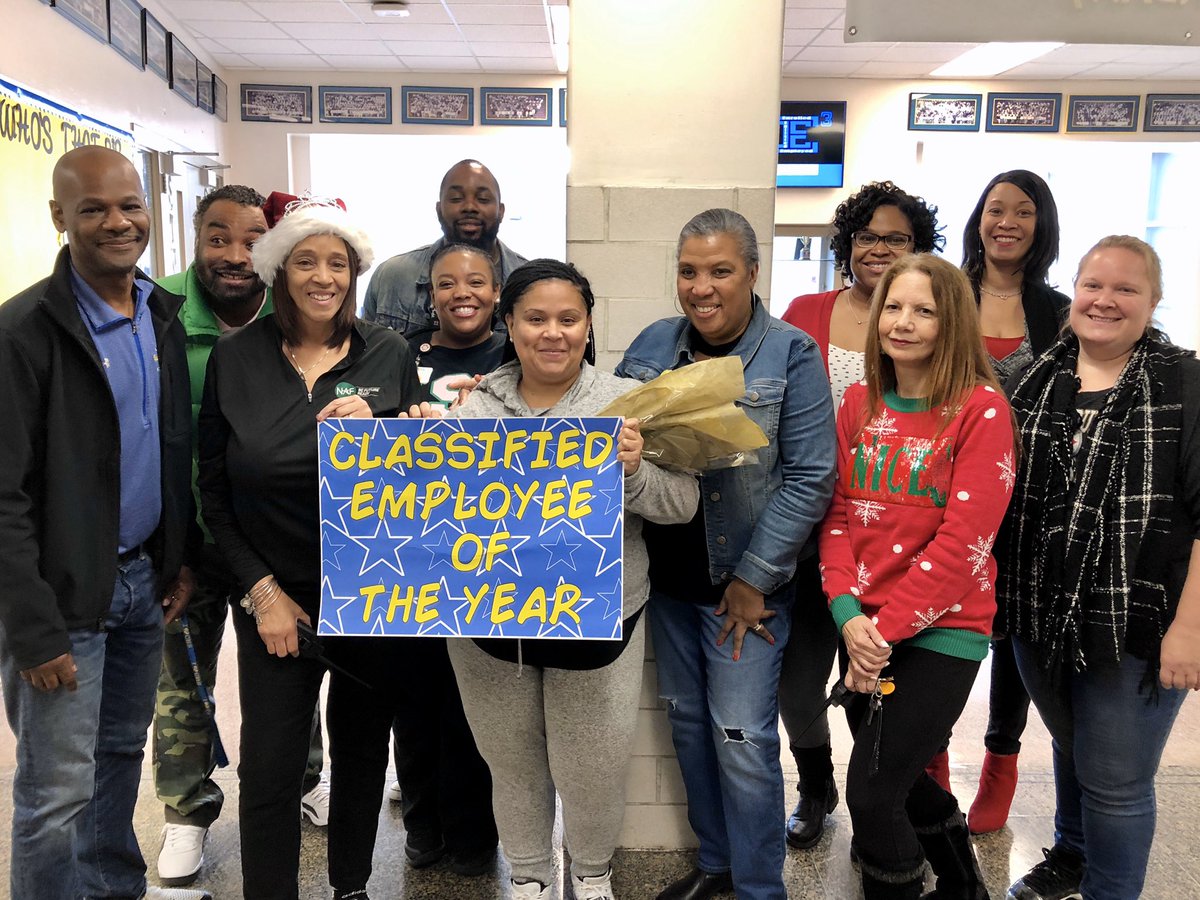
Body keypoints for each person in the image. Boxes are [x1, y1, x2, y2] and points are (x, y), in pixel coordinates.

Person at [437, 259, 699, 900]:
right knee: (512, 765)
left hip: (600, 617)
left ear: (588, 327)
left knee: (593, 767)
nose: (551, 333)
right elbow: (429, 516)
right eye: (535, 318)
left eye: (568, 319)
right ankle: (526, 876)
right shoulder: (467, 407)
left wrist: (634, 471)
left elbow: (681, 505)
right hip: (486, 621)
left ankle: (590, 873)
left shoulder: (625, 405)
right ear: (510, 324)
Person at [0, 145, 208, 900]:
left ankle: (114, 890)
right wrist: (33, 628)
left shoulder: (158, 315)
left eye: (129, 205)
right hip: (62, 599)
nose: (117, 221)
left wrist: (175, 558)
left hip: (141, 584)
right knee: (55, 793)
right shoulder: (24, 332)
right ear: (60, 218)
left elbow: (166, 447)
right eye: (93, 208)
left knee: (121, 755)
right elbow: (4, 497)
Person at [198, 196, 421, 900]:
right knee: (269, 766)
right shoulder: (236, 359)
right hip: (275, 598)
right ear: (279, 271)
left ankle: (350, 886)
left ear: (354, 273)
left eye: (338, 263)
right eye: (305, 261)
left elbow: (417, 477)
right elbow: (213, 491)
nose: (323, 276)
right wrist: (261, 594)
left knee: (361, 755)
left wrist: (388, 420)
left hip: (371, 594)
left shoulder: (388, 352)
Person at [616, 208, 836, 900]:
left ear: (751, 273)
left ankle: (759, 889)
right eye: (688, 271)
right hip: (669, 584)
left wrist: (753, 579)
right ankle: (716, 867)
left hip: (746, 591)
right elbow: (605, 439)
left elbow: (812, 477)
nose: (701, 287)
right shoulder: (653, 343)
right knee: (688, 727)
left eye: (719, 271)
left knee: (742, 739)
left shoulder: (791, 354)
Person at [999, 236, 1200, 900]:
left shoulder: (1184, 384)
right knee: (1070, 743)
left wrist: (1189, 630)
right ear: (1073, 292)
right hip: (1038, 610)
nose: (1105, 301)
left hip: (1138, 622)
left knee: (1115, 781)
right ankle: (1072, 854)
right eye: (1093, 285)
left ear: (1153, 301)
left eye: (1125, 289)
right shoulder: (1035, 378)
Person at [821, 253, 1015, 900]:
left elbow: (964, 544)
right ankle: (963, 885)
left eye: (924, 311)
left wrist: (881, 633)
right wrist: (850, 618)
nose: (903, 322)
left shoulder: (981, 411)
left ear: (951, 322)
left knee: (873, 796)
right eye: (894, 308)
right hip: (866, 629)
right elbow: (840, 518)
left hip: (944, 629)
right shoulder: (858, 403)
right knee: (900, 778)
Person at [152, 185, 330, 888]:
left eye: (252, 239)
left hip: (273, 546)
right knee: (184, 687)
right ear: (195, 239)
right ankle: (186, 815)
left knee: (287, 679)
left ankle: (305, 780)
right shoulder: (159, 309)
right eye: (217, 237)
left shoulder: (295, 316)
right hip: (188, 543)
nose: (235, 254)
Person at [778, 180, 943, 849]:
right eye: (868, 236)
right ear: (847, 244)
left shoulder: (932, 324)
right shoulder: (805, 311)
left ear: (917, 248)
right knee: (796, 686)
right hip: (817, 531)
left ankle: (899, 803)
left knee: (885, 697)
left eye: (896, 238)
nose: (879, 247)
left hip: (901, 549)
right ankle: (815, 784)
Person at [369, 241, 507, 878]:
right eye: (447, 283)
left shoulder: (515, 352)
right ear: (431, 292)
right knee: (416, 704)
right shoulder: (402, 353)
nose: (463, 293)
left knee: (474, 708)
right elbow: (380, 436)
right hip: (413, 554)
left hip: (495, 557)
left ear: (497, 290)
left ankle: (475, 834)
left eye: (476, 281)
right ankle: (422, 825)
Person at [949, 169, 1070, 835]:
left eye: (1023, 212)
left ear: (1039, 225)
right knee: (942, 621)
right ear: (980, 218)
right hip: (949, 491)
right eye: (997, 209)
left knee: (1013, 632)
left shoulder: (1057, 310)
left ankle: (1001, 761)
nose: (1008, 222)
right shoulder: (948, 294)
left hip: (1032, 500)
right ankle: (931, 755)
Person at [362, 159, 528, 337]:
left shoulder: (528, 282)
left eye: (483, 199)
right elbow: (367, 355)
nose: (470, 207)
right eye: (456, 198)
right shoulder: (392, 277)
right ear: (439, 209)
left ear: (501, 211)